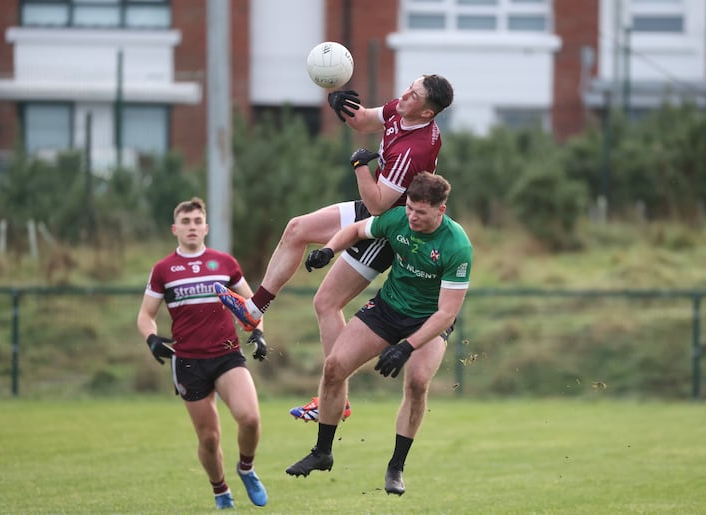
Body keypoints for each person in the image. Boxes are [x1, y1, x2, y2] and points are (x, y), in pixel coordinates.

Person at [214, 74, 455, 422]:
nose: (403, 94)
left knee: (326, 303)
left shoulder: (413, 149)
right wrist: (341, 104)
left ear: (427, 113)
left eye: (413, 94)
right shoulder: (403, 111)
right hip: (375, 208)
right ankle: (255, 309)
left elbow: (375, 206)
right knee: (296, 229)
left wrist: (360, 167)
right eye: (408, 86)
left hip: (386, 229)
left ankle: (336, 397)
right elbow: (365, 120)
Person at [284, 173, 472, 495]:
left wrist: (406, 347)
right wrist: (329, 251)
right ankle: (322, 452)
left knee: (416, 383)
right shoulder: (397, 219)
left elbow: (447, 314)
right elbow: (357, 229)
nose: (412, 216)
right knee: (334, 367)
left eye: (421, 212)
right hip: (387, 309)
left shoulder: (456, 246)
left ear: (441, 210)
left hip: (428, 320)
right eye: (410, 208)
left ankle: (396, 468)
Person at [136, 197, 269, 510]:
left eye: (197, 222)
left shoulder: (225, 264)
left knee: (249, 418)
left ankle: (246, 469)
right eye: (186, 222)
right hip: (188, 361)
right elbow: (145, 315)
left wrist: (259, 332)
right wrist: (151, 338)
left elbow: (253, 306)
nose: (192, 227)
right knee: (209, 439)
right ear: (175, 229)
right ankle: (220, 490)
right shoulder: (163, 270)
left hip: (226, 355)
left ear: (206, 227)